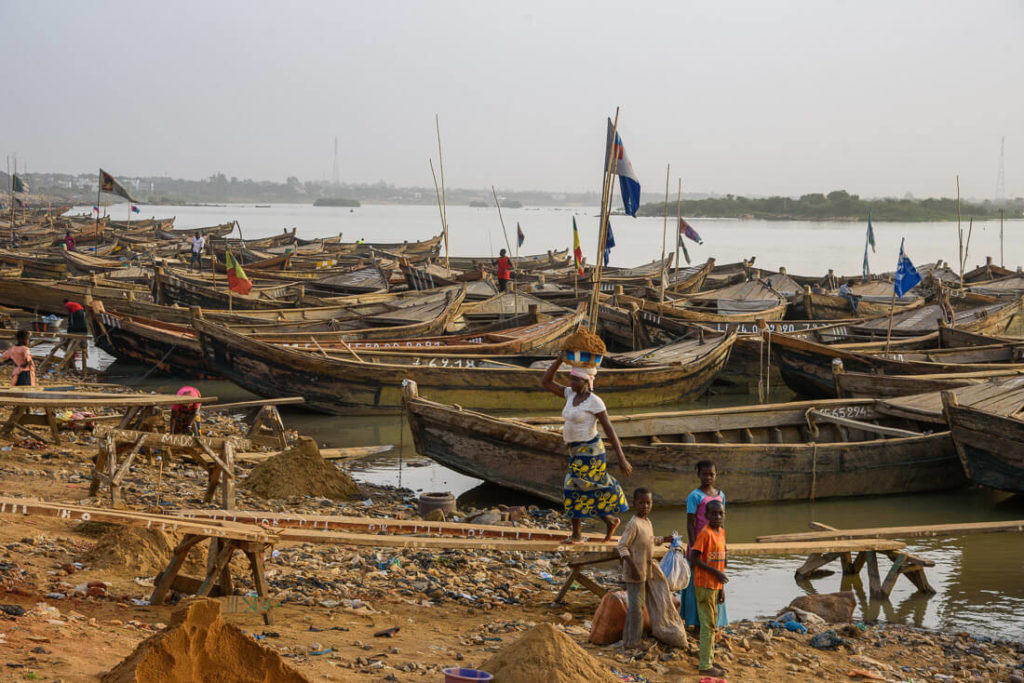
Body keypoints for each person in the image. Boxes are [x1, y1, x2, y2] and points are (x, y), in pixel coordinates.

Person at [541, 356, 631, 544]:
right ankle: (610, 520)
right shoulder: (569, 394)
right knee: (586, 489)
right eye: (571, 379)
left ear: (586, 381)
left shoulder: (595, 402)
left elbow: (609, 430)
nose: (571, 382)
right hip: (574, 451)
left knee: (572, 486)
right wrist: (559, 359)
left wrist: (621, 458)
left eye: (576, 380)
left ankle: (577, 534)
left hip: (591, 453)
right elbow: (546, 381)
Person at [618, 488, 672, 649]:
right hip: (635, 573)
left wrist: (664, 539)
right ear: (634, 503)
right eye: (641, 503)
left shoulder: (647, 522)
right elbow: (622, 546)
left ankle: (629, 640)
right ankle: (633, 642)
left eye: (648, 503)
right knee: (636, 608)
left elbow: (650, 540)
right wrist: (632, 565)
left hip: (645, 572)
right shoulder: (633, 524)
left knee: (639, 607)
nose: (645, 506)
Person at [681, 460, 728, 628]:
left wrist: (724, 547)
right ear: (698, 475)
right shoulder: (694, 496)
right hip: (700, 545)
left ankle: (715, 621)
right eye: (704, 474)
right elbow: (690, 523)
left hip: (715, 544)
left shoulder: (720, 495)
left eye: (711, 474)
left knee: (716, 580)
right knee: (697, 582)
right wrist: (694, 547)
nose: (708, 477)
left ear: (716, 475)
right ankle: (696, 621)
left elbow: (722, 523)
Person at [690, 499, 727, 678]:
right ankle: (705, 665)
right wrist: (715, 574)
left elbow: (721, 563)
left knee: (712, 625)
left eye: (720, 513)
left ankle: (709, 658)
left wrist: (721, 588)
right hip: (704, 585)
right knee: (707, 625)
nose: (717, 517)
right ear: (706, 516)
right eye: (713, 514)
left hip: (714, 586)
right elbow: (694, 559)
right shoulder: (705, 534)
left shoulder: (721, 533)